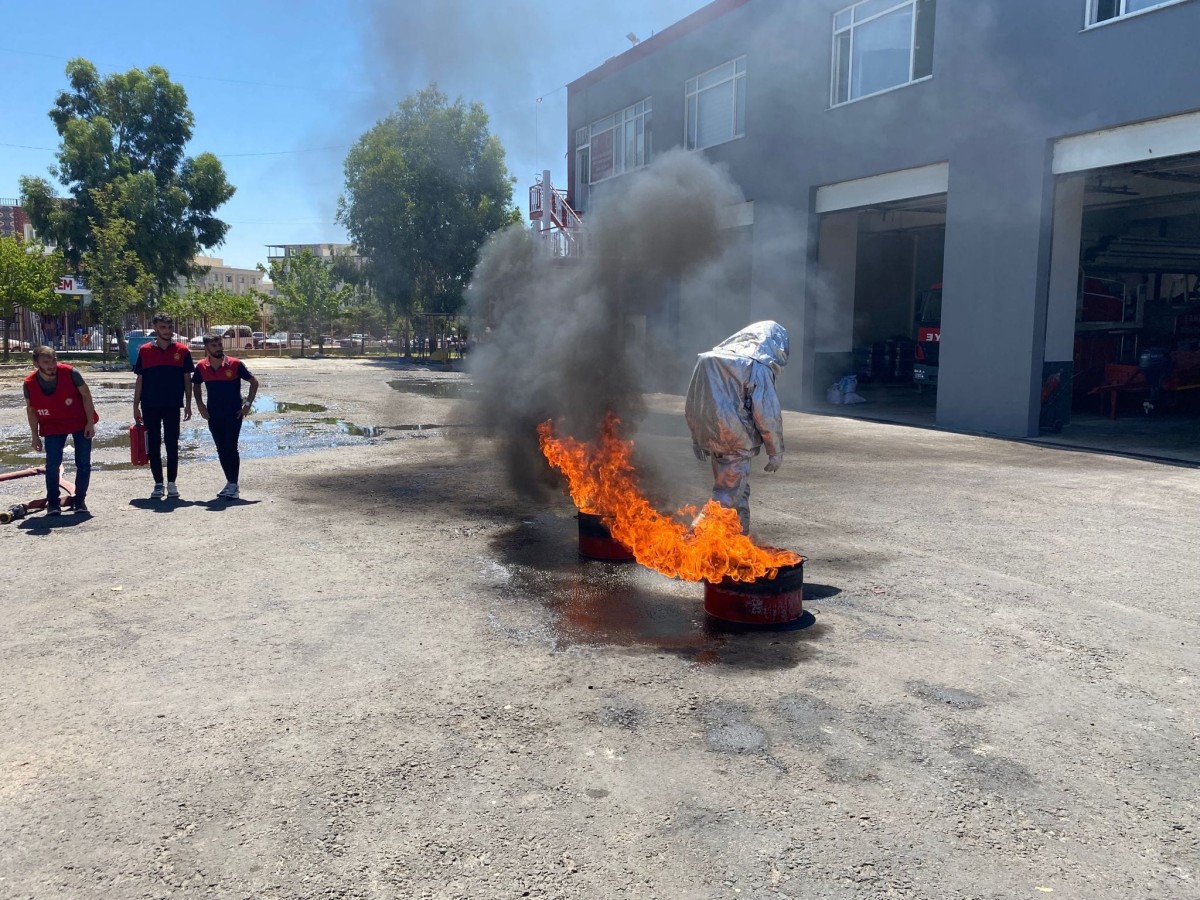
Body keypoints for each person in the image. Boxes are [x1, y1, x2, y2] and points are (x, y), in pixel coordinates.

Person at [684, 320, 789, 534]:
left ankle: (738, 538)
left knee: (737, 488)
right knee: (727, 494)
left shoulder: (708, 359)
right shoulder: (756, 366)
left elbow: (693, 400)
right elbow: (766, 413)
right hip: (736, 439)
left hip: (712, 437)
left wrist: (697, 437)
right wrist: (775, 450)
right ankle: (694, 538)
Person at [23, 346, 98, 515]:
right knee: (52, 465)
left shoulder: (71, 373)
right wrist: (35, 436)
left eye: (54, 360)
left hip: (79, 421)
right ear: (36, 363)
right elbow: (31, 410)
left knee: (83, 463)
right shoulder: (29, 384)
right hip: (52, 425)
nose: (51, 365)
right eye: (46, 362)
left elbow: (86, 395)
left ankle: (79, 501)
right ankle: (53, 504)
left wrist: (90, 423)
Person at [133, 312, 193, 499]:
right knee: (154, 444)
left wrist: (189, 405)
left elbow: (187, 380)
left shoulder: (182, 351)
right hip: (150, 404)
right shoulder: (144, 351)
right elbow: (140, 380)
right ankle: (158, 483)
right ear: (156, 328)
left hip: (173, 404)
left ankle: (172, 483)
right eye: (163, 327)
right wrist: (135, 406)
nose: (167, 331)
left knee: (172, 443)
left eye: (169, 327)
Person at [192, 332, 259, 500]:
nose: (218, 348)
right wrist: (200, 405)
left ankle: (234, 485)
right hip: (213, 414)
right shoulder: (201, 366)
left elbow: (254, 382)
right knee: (221, 448)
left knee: (231, 447)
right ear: (206, 347)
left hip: (233, 414)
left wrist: (247, 405)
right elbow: (196, 386)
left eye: (219, 344)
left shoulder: (235, 364)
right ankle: (229, 482)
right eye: (214, 345)